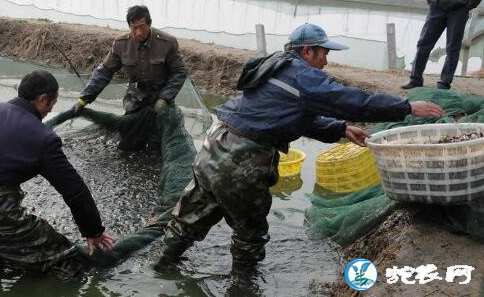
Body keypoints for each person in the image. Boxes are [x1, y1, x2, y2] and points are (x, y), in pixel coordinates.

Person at [152, 23, 444, 277]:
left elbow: (285, 115)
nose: (327, 59)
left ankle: (160, 268)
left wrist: (340, 128)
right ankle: (243, 286)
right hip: (242, 158)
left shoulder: (273, 66)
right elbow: (351, 100)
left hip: (214, 145)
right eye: (324, 52)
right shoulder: (302, 75)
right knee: (249, 235)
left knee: (191, 215)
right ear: (308, 52)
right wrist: (405, 107)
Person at [0, 71, 115, 277]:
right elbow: (74, 190)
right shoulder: (42, 138)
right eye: (52, 104)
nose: (50, 110)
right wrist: (93, 231)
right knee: (65, 259)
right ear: (43, 100)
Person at [72, 5, 188, 151]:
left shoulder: (167, 43)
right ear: (129, 26)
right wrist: (84, 98)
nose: (138, 32)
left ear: (149, 23)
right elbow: (104, 72)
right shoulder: (121, 44)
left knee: (157, 142)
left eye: (142, 27)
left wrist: (165, 97)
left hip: (160, 96)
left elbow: (180, 71)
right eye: (134, 28)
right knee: (129, 138)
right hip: (135, 97)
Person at [401, 0, 484, 90]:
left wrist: (468, 6)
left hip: (459, 10)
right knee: (424, 42)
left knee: (452, 48)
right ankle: (415, 79)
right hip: (437, 7)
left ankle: (444, 83)